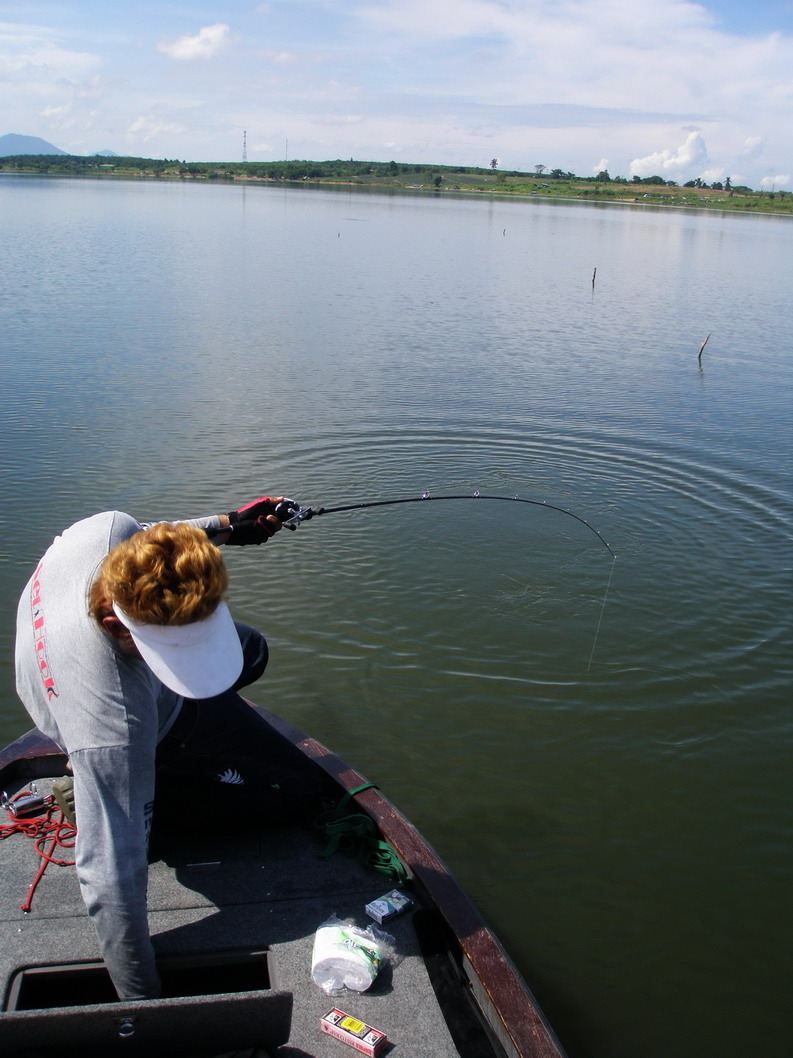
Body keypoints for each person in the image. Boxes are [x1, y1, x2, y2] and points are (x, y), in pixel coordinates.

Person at [14, 497, 323, 1001]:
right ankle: (141, 805)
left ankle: (140, 781)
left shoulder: (106, 530)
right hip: (125, 727)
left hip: (72, 688)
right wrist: (143, 1002)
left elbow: (157, 535)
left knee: (251, 649)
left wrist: (226, 527)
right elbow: (108, 879)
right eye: (179, 644)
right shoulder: (115, 724)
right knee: (300, 789)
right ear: (118, 625)